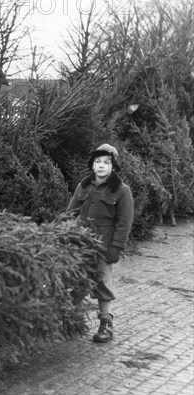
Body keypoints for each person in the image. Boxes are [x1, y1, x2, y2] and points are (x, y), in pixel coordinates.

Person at [67, 143, 134, 343]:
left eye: (107, 162)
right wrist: (63, 233)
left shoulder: (122, 191)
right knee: (77, 279)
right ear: (92, 165)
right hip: (80, 243)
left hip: (104, 246)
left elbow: (125, 222)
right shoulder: (84, 185)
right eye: (98, 162)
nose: (102, 166)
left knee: (103, 282)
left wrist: (116, 247)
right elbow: (70, 212)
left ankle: (106, 323)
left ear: (113, 167)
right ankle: (72, 321)